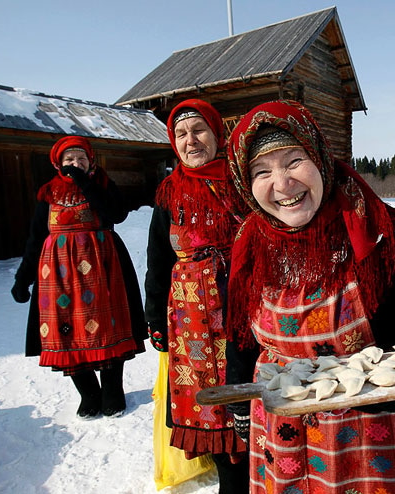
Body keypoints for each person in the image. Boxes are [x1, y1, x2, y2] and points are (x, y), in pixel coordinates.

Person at [224, 100, 395, 493]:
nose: (282, 184)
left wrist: (393, 391)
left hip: (373, 431)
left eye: (294, 161)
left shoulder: (383, 232)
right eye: (262, 171)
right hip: (283, 429)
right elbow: (240, 334)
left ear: (320, 159)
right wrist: (238, 402)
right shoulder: (249, 243)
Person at [143, 99, 249, 493]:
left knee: (248, 395)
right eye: (181, 134)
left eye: (199, 130)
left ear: (216, 134)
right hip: (191, 322)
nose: (191, 141)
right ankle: (231, 482)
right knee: (210, 406)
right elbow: (157, 262)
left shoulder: (242, 184)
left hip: (242, 307)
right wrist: (155, 320)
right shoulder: (168, 195)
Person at [11, 135, 146, 419]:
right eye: (69, 160)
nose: (76, 164)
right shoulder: (48, 194)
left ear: (91, 162)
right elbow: (35, 238)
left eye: (81, 159)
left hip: (102, 267)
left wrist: (86, 183)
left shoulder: (103, 185)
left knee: (108, 327)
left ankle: (112, 391)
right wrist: (22, 279)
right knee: (66, 331)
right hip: (58, 275)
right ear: (58, 164)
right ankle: (88, 393)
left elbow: (116, 214)